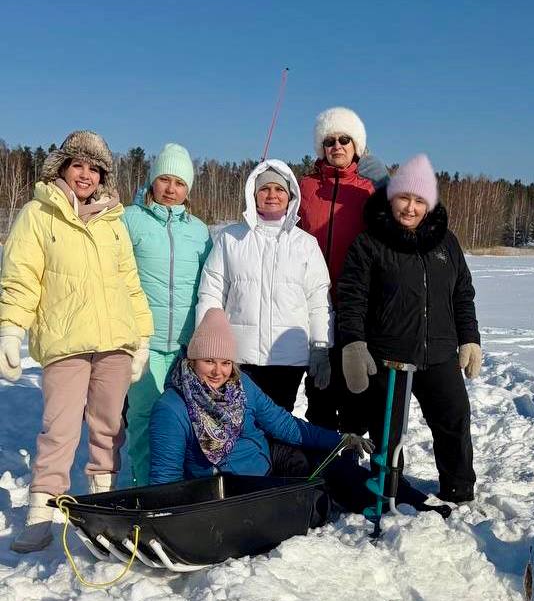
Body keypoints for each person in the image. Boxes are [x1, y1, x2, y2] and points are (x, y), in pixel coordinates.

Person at [0, 131, 153, 553]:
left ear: (103, 176)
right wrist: (11, 328)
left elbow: (130, 284)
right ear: (62, 168)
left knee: (109, 429)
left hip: (114, 344)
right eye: (78, 165)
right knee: (60, 430)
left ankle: (102, 506)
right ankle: (39, 514)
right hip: (65, 342)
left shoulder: (113, 222)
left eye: (94, 168)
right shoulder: (39, 213)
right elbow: (21, 276)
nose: (85, 175)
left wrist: (140, 338)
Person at [149, 309, 445, 515]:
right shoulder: (172, 408)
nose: (218, 371)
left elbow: (284, 425)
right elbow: (166, 477)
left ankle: (414, 504)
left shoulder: (242, 386)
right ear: (192, 361)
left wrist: (338, 440)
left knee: (334, 467)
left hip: (268, 460)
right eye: (208, 361)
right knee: (305, 498)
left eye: (225, 362)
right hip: (233, 487)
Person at [337, 154, 482, 504]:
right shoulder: (370, 243)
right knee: (388, 433)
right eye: (404, 198)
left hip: (440, 352)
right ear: (391, 198)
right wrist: (354, 343)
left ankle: (458, 490)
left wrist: (470, 339)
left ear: (430, 204)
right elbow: (351, 297)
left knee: (454, 420)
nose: (410, 208)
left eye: (420, 201)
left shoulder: (446, 242)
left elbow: (462, 293)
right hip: (390, 356)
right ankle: (386, 492)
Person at [196, 160, 331, 413]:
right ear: (253, 194)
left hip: (288, 359)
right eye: (264, 188)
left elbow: (318, 301)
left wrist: (321, 347)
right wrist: (206, 345)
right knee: (240, 423)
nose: (272, 195)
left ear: (290, 196)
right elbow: (211, 294)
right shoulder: (230, 238)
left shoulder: (306, 244)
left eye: (279, 189)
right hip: (238, 357)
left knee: (278, 424)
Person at [122, 143, 211, 486]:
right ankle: (143, 488)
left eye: (180, 183)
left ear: (188, 188)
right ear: (152, 180)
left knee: (187, 419)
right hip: (144, 343)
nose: (171, 189)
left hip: (187, 347)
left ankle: (181, 486)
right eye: (165, 180)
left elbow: (211, 285)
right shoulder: (130, 220)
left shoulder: (199, 231)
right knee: (144, 418)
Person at [298, 106, 387, 433]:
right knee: (320, 391)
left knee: (356, 394)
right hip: (314, 305)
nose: (336, 146)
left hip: (357, 307)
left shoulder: (368, 189)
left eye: (344, 140)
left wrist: (388, 187)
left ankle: (351, 462)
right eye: (329, 140)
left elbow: (401, 224)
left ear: (357, 147)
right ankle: (324, 470)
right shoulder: (305, 187)